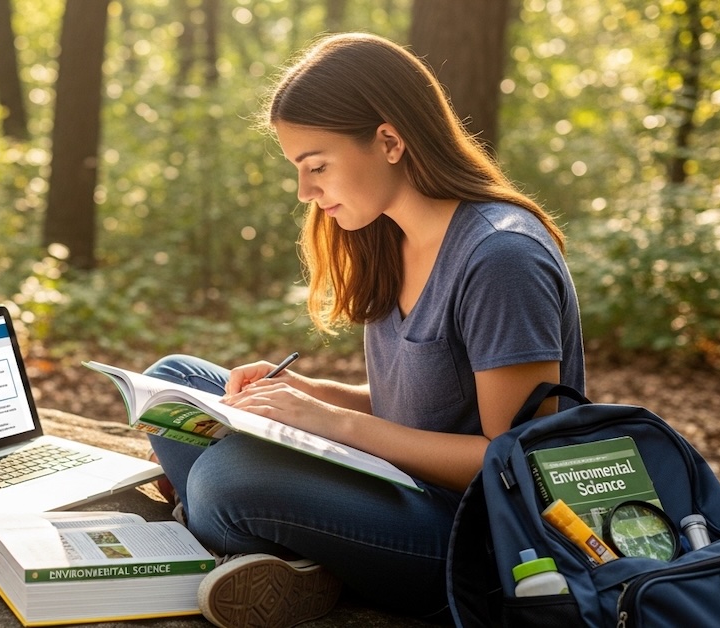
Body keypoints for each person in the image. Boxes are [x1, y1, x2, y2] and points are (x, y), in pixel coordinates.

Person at [144, 33, 585, 628]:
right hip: (401, 485)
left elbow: (514, 463)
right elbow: (427, 405)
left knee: (226, 478)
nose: (305, 192)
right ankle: (272, 550)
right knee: (174, 380)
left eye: (316, 166)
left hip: (477, 540)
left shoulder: (500, 256)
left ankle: (234, 532)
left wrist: (337, 424)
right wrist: (305, 399)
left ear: (389, 140)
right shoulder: (389, 237)